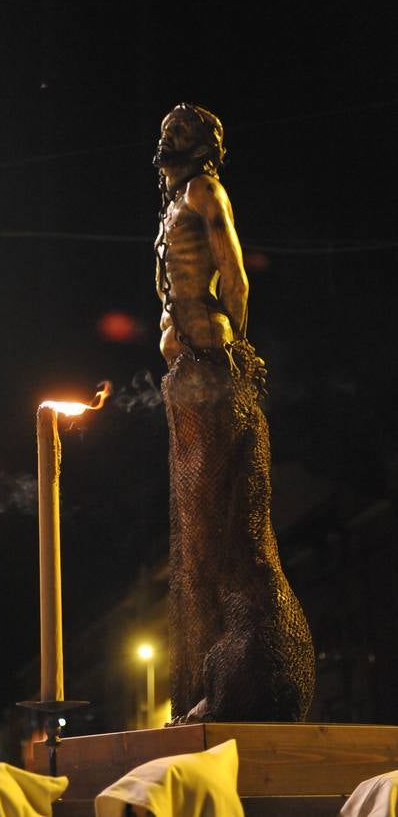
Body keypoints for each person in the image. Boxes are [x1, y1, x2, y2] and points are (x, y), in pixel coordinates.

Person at [154, 103, 315, 723]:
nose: (169, 141)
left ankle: (240, 673)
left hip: (209, 357)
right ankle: (207, 674)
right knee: (197, 523)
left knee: (220, 514)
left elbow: (235, 273)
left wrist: (235, 353)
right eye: (166, 132)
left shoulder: (203, 190)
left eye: (180, 133)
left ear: (203, 146)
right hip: (184, 369)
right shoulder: (172, 201)